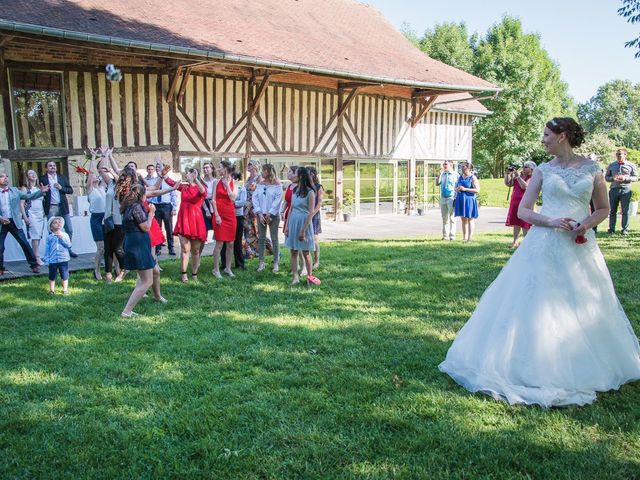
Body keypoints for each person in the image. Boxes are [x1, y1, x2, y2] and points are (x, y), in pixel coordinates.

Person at [439, 117, 640, 407]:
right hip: (544, 241)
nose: (542, 139)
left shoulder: (593, 170)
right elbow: (524, 210)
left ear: (563, 135)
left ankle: (586, 360)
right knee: (535, 297)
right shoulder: (544, 170)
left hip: (580, 244)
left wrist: (584, 224)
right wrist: (551, 221)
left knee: (584, 299)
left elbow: (604, 208)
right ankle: (531, 360)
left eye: (547, 134)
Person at [120, 184, 167, 317]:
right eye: (145, 194)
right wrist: (151, 213)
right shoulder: (136, 207)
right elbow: (146, 227)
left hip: (137, 242)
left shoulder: (130, 206)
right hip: (138, 245)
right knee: (147, 281)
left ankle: (157, 296)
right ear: (141, 195)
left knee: (155, 271)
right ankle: (127, 311)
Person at [0, 171, 48, 274]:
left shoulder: (14, 190)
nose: (6, 178)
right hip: (1, 222)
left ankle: (34, 265)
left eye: (7, 176)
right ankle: (0, 268)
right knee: (0, 246)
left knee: (24, 243)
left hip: (14, 221)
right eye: (2, 176)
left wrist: (41, 191)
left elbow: (28, 197)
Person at [165, 167, 207, 282]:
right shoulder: (183, 187)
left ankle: (194, 274)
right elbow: (171, 182)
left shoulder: (200, 187)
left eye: (188, 173)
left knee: (196, 250)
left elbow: (204, 192)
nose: (186, 175)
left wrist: (196, 179)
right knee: (185, 249)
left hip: (196, 220)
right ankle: (184, 274)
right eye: (188, 173)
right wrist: (163, 174)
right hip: (184, 220)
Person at [283, 166, 320, 286]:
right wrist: (287, 226)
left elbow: (310, 212)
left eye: (296, 174)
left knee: (305, 252)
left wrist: (303, 230)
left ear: (301, 176)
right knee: (293, 251)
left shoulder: (310, 192)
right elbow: (291, 209)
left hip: (304, 223)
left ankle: (310, 277)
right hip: (293, 221)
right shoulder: (294, 191)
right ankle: (295, 278)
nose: (293, 175)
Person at [39, 161, 78, 257]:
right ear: (46, 168)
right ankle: (53, 250)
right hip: (51, 207)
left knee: (69, 229)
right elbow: (40, 193)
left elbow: (70, 190)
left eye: (54, 165)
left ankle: (68, 248)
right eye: (50, 166)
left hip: (63, 206)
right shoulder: (43, 179)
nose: (52, 167)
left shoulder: (62, 177)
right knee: (51, 230)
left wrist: (61, 188)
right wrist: (43, 191)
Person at [253, 163, 282, 273]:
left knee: (274, 239)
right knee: (261, 239)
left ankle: (275, 262)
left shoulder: (277, 184)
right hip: (261, 215)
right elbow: (255, 198)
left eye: (264, 170)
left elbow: (278, 200)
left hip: (273, 216)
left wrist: (270, 213)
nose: (262, 172)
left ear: (270, 171)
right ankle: (261, 262)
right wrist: (259, 213)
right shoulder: (260, 183)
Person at [212, 160, 238, 278]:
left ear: (226, 169)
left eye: (220, 167)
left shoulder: (234, 182)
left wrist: (227, 185)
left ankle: (228, 268)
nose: (218, 169)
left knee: (230, 243)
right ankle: (216, 269)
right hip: (219, 214)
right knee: (219, 243)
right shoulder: (216, 182)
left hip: (230, 215)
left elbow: (233, 198)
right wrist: (216, 215)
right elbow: (213, 200)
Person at [605, 148, 638, 235]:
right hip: (614, 189)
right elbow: (606, 177)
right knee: (612, 210)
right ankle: (611, 229)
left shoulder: (631, 165)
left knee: (625, 211)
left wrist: (625, 178)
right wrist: (613, 178)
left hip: (625, 189)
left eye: (620, 154)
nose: (618, 156)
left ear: (625, 155)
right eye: (617, 154)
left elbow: (636, 177)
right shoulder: (612, 165)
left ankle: (624, 229)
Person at [147, 161, 177, 256]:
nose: (158, 168)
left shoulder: (169, 181)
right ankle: (158, 248)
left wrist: (174, 208)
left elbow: (173, 195)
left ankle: (171, 248)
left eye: (160, 166)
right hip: (156, 206)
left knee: (169, 227)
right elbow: (150, 193)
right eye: (157, 167)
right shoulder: (152, 181)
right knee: (157, 228)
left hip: (166, 205)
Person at [504, 161, 535, 248]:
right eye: (524, 166)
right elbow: (508, 183)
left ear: (531, 169)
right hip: (515, 203)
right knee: (516, 222)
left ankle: (526, 243)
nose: (524, 168)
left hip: (525, 203)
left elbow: (525, 186)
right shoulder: (519, 177)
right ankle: (515, 242)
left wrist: (518, 177)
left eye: (526, 167)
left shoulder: (532, 177)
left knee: (524, 223)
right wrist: (508, 174)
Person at [86, 150, 107, 279]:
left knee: (107, 247)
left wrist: (105, 155)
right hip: (96, 219)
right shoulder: (91, 189)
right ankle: (97, 270)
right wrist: (93, 157)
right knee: (100, 247)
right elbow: (91, 172)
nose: (96, 177)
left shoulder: (102, 187)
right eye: (94, 176)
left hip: (106, 217)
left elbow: (104, 170)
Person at [20, 169, 47, 265]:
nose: (33, 174)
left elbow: (41, 202)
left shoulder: (39, 187)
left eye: (34, 173)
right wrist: (25, 217)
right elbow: (22, 204)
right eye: (30, 173)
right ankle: (36, 257)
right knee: (35, 236)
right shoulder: (25, 188)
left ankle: (36, 255)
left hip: (40, 214)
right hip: (31, 214)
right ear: (27, 177)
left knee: (38, 235)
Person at [221, 172, 247, 270]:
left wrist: (232, 203)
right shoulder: (224, 188)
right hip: (226, 216)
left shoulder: (241, 188)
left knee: (237, 241)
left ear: (236, 179)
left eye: (231, 177)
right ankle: (224, 264)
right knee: (224, 241)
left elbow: (242, 202)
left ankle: (239, 263)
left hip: (238, 216)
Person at [43, 216, 71, 295]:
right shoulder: (49, 237)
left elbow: (69, 245)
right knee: (52, 275)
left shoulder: (65, 235)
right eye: (55, 222)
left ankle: (65, 289)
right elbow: (47, 249)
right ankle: (52, 290)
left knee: (64, 274)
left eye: (59, 222)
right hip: (53, 259)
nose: (58, 224)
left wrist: (61, 239)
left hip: (63, 259)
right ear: (51, 227)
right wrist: (46, 259)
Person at [453, 162, 480, 242]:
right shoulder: (460, 177)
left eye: (465, 168)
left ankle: (470, 238)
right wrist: (457, 189)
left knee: (470, 219)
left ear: (470, 169)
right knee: (463, 219)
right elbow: (456, 187)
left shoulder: (473, 178)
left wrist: (465, 189)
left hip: (469, 200)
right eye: (462, 168)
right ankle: (464, 237)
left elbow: (477, 190)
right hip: (461, 199)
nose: (463, 170)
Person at [243, 159, 262, 259]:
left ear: (255, 166)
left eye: (250, 164)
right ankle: (249, 252)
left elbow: (259, 193)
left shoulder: (259, 178)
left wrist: (252, 205)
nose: (248, 166)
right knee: (247, 229)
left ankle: (266, 250)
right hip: (246, 207)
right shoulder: (248, 178)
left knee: (256, 229)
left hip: (255, 207)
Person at [435, 160, 459, 241]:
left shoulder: (456, 175)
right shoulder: (443, 174)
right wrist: (440, 174)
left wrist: (455, 196)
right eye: (443, 164)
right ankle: (445, 236)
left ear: (451, 165)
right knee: (444, 218)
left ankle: (452, 236)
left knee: (452, 218)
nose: (444, 166)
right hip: (443, 197)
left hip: (451, 197)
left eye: (446, 164)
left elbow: (458, 186)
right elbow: (437, 183)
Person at [308, 166, 324, 269]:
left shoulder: (319, 187)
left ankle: (317, 261)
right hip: (306, 214)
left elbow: (319, 203)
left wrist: (312, 213)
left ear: (313, 175)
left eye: (309, 174)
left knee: (314, 239)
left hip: (314, 215)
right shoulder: (306, 186)